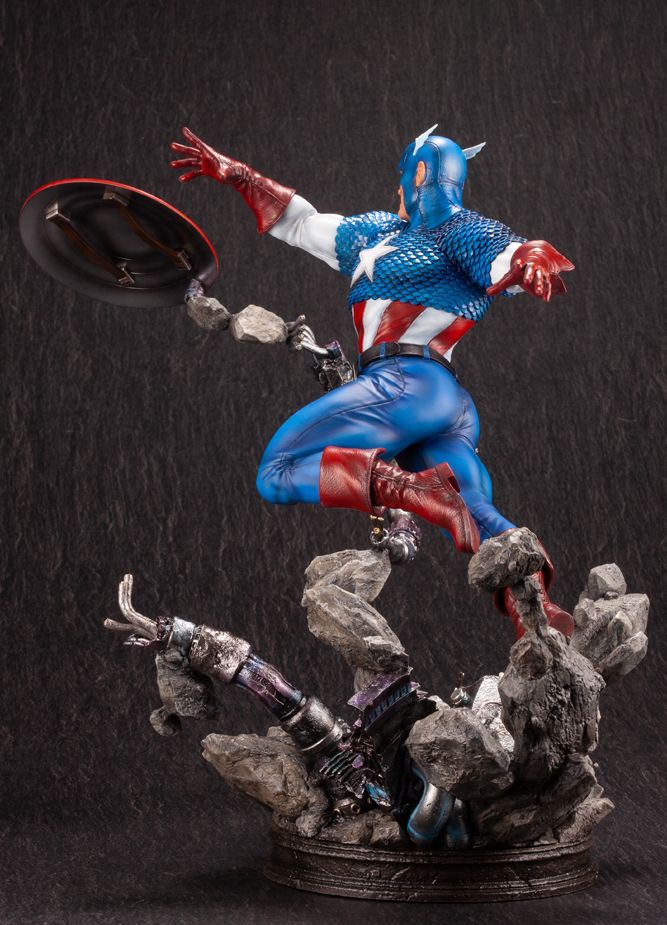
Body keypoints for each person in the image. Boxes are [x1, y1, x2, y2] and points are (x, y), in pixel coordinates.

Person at [169, 125, 575, 637]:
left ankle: (418, 493)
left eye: (402, 175)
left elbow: (507, 252)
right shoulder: (378, 233)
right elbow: (302, 223)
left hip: (406, 384)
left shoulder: (457, 229)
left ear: (419, 172)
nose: (396, 186)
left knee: (277, 469)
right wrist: (239, 175)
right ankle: (539, 615)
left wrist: (532, 261)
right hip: (445, 404)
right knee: (476, 509)